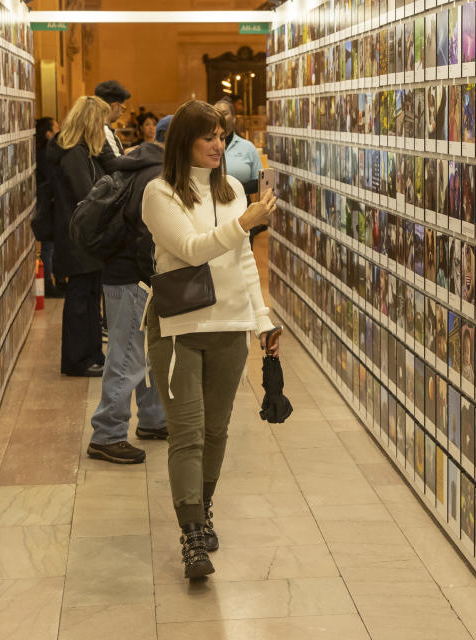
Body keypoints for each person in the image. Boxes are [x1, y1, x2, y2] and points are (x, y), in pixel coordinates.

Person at [142, 100, 276, 579]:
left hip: (230, 327)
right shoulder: (159, 193)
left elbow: (242, 262)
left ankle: (205, 506)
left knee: (217, 431)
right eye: (208, 138)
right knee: (187, 433)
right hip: (178, 329)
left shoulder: (235, 189)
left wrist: (263, 322)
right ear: (185, 143)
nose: (219, 145)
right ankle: (192, 534)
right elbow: (192, 250)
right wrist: (245, 223)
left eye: (221, 136)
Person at [87, 140, 168, 464]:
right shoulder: (156, 176)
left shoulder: (138, 168)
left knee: (143, 351)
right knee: (126, 356)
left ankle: (153, 419)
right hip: (132, 277)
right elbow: (146, 234)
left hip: (123, 274)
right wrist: (153, 278)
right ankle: (107, 434)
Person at [46, 96, 109, 377]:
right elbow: (87, 195)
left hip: (85, 238)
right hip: (77, 239)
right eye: (102, 122)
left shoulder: (82, 152)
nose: (104, 129)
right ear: (91, 122)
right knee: (80, 300)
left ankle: (93, 354)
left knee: (91, 296)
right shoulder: (73, 155)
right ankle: (77, 360)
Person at [214, 98, 265, 244]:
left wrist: (234, 188)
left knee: (244, 252)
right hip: (214, 209)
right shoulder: (208, 146)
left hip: (242, 209)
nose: (220, 117)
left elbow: (259, 182)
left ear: (234, 117)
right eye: (216, 113)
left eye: (224, 113)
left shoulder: (247, 147)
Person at [35, 117, 64, 298]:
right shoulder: (46, 153)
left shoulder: (44, 151)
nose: (59, 129)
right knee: (49, 248)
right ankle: (47, 284)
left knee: (51, 247)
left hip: (47, 203)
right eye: (56, 127)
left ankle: (54, 281)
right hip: (48, 204)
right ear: (48, 133)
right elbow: (51, 177)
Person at [94, 80, 131, 169]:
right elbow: (116, 166)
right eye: (122, 108)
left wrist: (125, 153)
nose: (122, 112)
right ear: (113, 106)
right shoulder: (104, 131)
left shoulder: (97, 127)